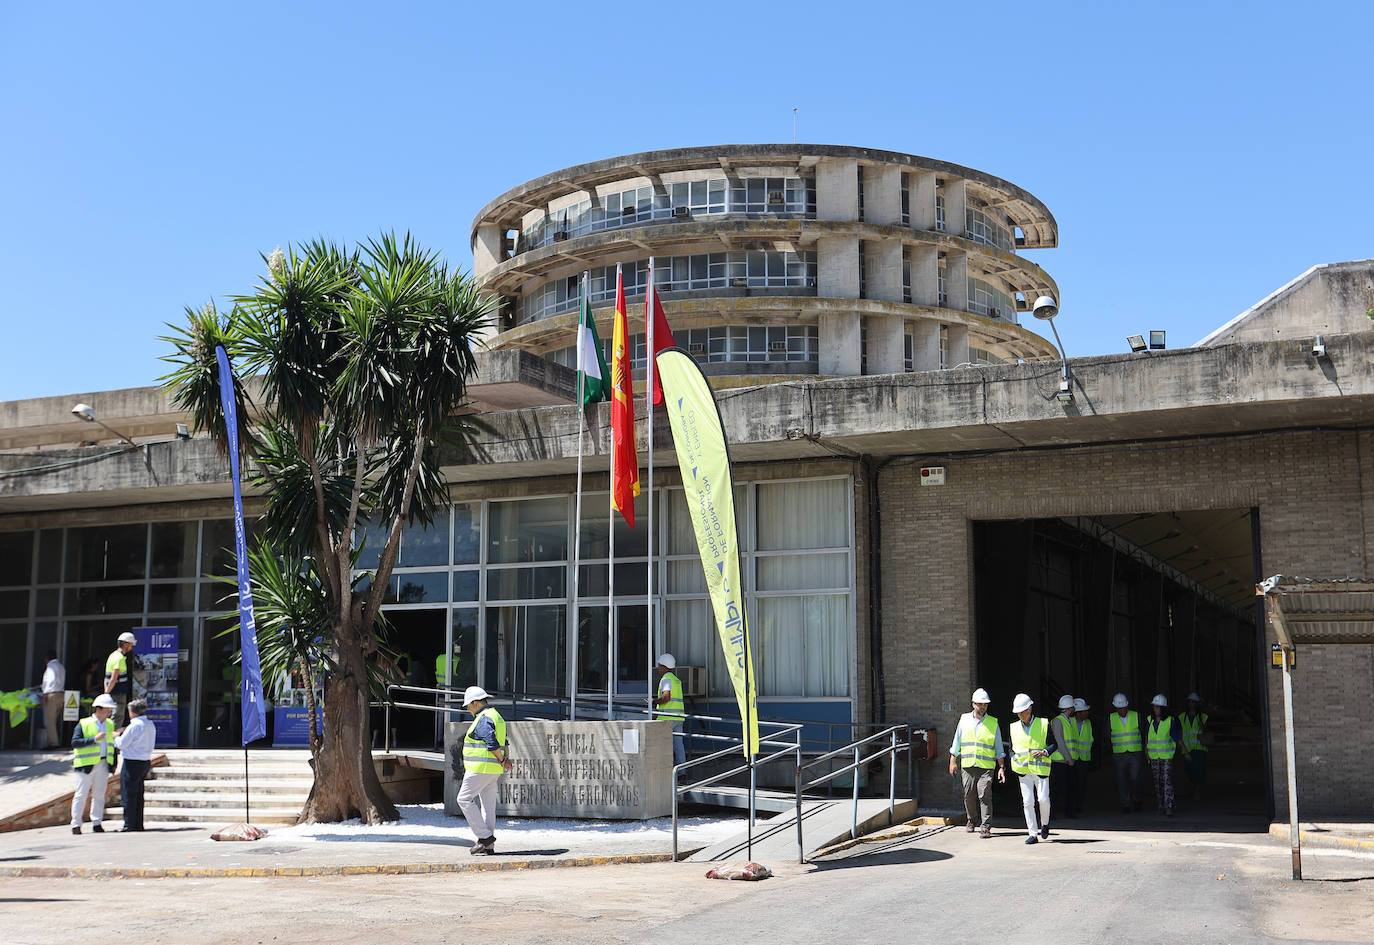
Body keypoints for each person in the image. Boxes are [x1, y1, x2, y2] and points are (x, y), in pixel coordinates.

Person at [456, 685, 512, 855]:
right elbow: (505, 742)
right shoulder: (497, 716)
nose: (467, 709)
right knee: (488, 807)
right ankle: (488, 847)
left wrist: (503, 760)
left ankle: (485, 837)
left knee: (463, 799)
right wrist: (505, 760)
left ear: (475, 703)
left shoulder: (483, 718)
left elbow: (491, 743)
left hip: (480, 769)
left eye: (468, 705)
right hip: (493, 769)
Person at [948, 687, 1006, 838]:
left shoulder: (993, 723)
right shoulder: (964, 720)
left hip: (986, 767)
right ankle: (971, 819)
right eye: (980, 704)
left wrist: (1001, 767)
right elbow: (957, 742)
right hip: (967, 765)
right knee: (968, 795)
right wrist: (952, 761)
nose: (983, 707)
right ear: (973, 704)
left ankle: (985, 827)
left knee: (984, 796)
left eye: (985, 704)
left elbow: (999, 747)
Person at [1008, 693, 1053, 845]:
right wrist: (1013, 757)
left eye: (1023, 711)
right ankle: (1033, 833)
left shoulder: (1044, 724)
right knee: (1027, 801)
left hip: (1041, 769)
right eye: (1018, 712)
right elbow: (1011, 747)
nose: (1021, 715)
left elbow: (1054, 744)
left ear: (1030, 708)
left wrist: (1044, 752)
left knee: (1043, 799)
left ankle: (1045, 824)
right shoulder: (1013, 727)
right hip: (1023, 769)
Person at [71, 693, 118, 835]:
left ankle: (97, 822)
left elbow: (111, 745)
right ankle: (76, 824)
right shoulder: (84, 723)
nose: (110, 712)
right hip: (85, 765)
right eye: (108, 709)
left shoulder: (110, 724)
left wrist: (114, 762)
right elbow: (75, 742)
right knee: (81, 794)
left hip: (103, 763)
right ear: (98, 709)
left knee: (99, 794)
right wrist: (94, 739)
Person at [114, 698, 156, 831]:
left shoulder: (134, 725)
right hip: (144, 760)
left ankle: (129, 824)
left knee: (129, 794)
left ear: (132, 712)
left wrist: (115, 736)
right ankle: (138, 823)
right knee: (138, 794)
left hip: (132, 761)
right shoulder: (150, 724)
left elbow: (122, 744)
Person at [1145, 693, 1190, 816]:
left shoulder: (1170, 721)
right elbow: (1147, 737)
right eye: (1155, 707)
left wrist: (1185, 752)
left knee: (1166, 780)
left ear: (1163, 708)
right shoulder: (1149, 720)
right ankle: (1161, 803)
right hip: (1154, 756)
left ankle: (1169, 806)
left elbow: (1177, 738)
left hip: (1166, 757)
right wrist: (1146, 752)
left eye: (1159, 707)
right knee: (1157, 781)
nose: (1156, 709)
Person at [1109, 692, 1145, 814]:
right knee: (1121, 780)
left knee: (1135, 778)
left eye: (1123, 708)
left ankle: (1137, 800)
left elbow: (1144, 733)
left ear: (1127, 706)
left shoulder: (1136, 716)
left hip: (1135, 752)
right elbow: (1107, 736)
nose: (1121, 710)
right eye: (1118, 708)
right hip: (1119, 754)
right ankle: (1125, 804)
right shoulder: (1111, 718)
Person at [653, 653, 686, 766]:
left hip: (667, 718)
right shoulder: (676, 680)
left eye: (660, 665)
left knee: (661, 744)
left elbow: (666, 697)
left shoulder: (666, 679)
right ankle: (682, 772)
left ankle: (664, 770)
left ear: (664, 666)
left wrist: (654, 701)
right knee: (678, 745)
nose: (658, 668)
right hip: (679, 718)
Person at [1048, 694, 1078, 820]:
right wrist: (1068, 758)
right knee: (1056, 788)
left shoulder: (1068, 721)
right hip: (1060, 760)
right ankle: (1052, 812)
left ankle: (1068, 811)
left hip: (1067, 760)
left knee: (1069, 787)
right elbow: (1060, 741)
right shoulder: (1058, 721)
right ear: (1069, 708)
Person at [104, 631, 137, 726]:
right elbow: (114, 678)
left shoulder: (112, 656)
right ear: (126, 644)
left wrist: (106, 692)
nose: (132, 647)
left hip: (112, 692)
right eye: (131, 644)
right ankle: (113, 739)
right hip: (118, 693)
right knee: (117, 717)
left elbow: (107, 677)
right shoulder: (120, 658)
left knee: (111, 716)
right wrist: (107, 692)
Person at [1180, 692, 1208, 800]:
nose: (1191, 704)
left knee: (1199, 771)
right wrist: (1181, 747)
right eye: (1189, 702)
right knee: (1189, 770)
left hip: (1199, 748)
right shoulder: (1182, 717)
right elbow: (1181, 732)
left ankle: (1197, 791)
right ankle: (1192, 789)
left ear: (1197, 704)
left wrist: (1203, 726)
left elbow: (1207, 731)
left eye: (1193, 702)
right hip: (1187, 749)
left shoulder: (1203, 717)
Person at [1071, 697, 1093, 816]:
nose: (1087, 713)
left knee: (1082, 784)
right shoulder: (1070, 722)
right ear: (1078, 712)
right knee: (1073, 784)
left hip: (1084, 759)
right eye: (1084, 711)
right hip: (1073, 758)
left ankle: (1079, 806)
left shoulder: (1088, 723)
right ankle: (1073, 806)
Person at [40, 649, 65, 749]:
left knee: (49, 721)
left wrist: (44, 695)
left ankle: (54, 743)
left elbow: (50, 681)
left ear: (47, 658)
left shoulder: (51, 666)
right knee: (54, 720)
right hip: (61, 694)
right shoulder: (61, 666)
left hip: (52, 694)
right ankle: (54, 741)